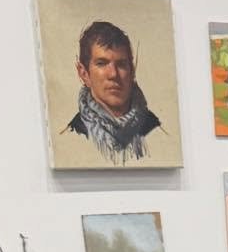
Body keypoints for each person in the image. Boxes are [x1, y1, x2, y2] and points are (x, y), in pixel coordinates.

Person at [67, 20, 162, 163]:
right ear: (84, 74)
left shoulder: (155, 129)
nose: (113, 74)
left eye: (121, 64)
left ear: (132, 71)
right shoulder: (73, 135)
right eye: (102, 63)